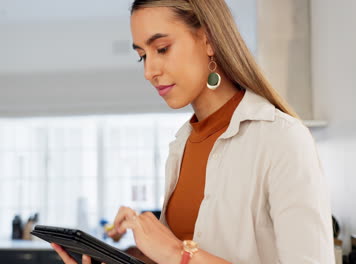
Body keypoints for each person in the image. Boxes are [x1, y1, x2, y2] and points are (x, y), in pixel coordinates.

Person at [51, 0, 334, 263]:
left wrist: (178, 252)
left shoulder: (282, 139)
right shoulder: (182, 144)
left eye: (161, 48)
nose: (149, 71)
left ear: (208, 40)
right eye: (142, 56)